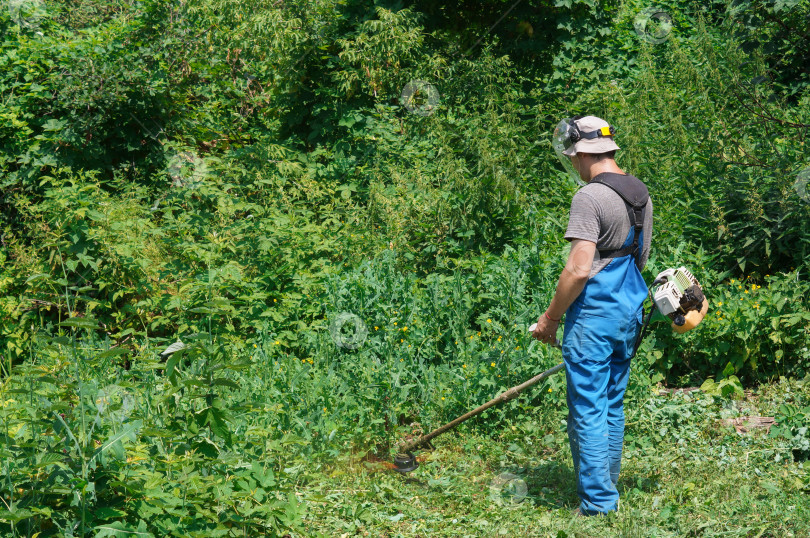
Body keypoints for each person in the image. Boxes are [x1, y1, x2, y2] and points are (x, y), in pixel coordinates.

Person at [531, 115, 653, 516]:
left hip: (594, 319)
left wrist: (550, 318)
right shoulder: (639, 191)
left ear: (583, 154)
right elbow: (641, 257)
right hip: (628, 312)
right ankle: (608, 484)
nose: (574, 166)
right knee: (612, 403)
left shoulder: (590, 197)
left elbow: (579, 268)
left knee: (588, 408)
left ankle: (599, 504)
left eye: (573, 159)